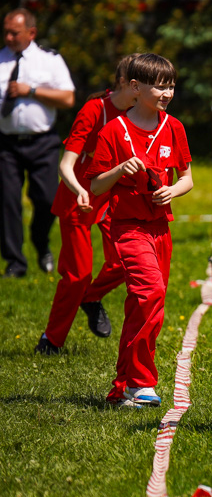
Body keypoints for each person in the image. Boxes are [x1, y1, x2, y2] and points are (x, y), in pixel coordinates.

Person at [87, 53, 193, 408]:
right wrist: (119, 169)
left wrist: (172, 191)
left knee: (141, 306)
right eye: (159, 86)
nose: (167, 93)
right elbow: (98, 186)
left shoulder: (174, 127)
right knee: (151, 294)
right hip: (127, 226)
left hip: (161, 227)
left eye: (171, 86)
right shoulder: (113, 131)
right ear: (136, 87)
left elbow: (187, 179)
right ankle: (141, 382)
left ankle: (121, 387)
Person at [34, 55, 140, 355]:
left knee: (124, 261)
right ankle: (51, 341)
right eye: (139, 85)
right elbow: (65, 165)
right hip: (77, 196)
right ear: (123, 83)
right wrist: (80, 190)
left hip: (110, 197)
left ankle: (90, 297)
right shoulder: (94, 110)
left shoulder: (138, 113)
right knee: (77, 274)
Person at [0, 8, 75, 278]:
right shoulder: (0, 60)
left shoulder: (49, 61)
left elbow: (67, 98)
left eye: (14, 32)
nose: (8, 37)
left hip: (43, 141)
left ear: (31, 33)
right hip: (6, 144)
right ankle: (15, 263)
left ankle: (41, 243)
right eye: (6, 31)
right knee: (7, 201)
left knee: (47, 200)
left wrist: (30, 90)